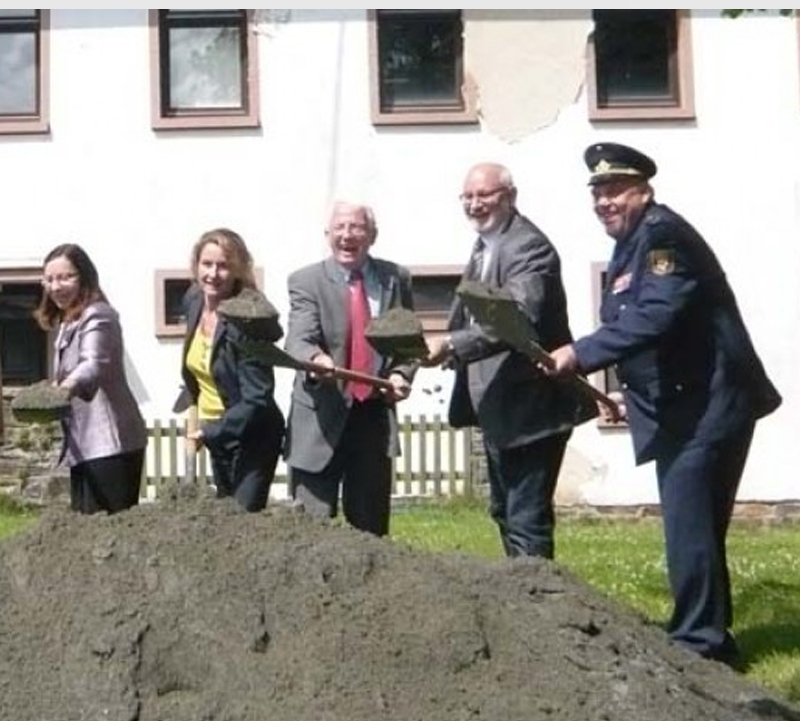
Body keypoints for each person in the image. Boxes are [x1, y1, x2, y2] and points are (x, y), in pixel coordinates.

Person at [546, 142, 782, 665]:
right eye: (598, 193)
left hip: (710, 407)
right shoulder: (632, 243)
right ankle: (710, 634)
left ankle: (699, 644)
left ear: (644, 191)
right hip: (688, 403)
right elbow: (649, 332)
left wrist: (578, 353)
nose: (604, 202)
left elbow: (654, 317)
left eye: (615, 191)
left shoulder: (662, 237)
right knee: (696, 526)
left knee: (689, 525)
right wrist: (626, 396)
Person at [424, 162, 597, 559]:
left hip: (532, 410)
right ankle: (524, 604)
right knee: (505, 512)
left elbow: (516, 319)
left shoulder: (526, 247)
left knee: (526, 518)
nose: (474, 204)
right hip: (502, 407)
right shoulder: (488, 243)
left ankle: (543, 608)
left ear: (510, 196)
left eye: (484, 195)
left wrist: (451, 344)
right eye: (467, 196)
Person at [283, 200, 416, 536]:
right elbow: (298, 340)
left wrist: (402, 373)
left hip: (372, 418)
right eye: (339, 228)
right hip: (319, 419)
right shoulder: (306, 281)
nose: (347, 235)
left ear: (372, 235)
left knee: (371, 532)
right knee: (309, 533)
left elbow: (408, 342)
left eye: (356, 227)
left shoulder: (395, 279)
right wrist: (316, 360)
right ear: (328, 235)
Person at [34, 243, 147, 514]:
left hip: (111, 444)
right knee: (84, 531)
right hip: (83, 445)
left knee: (108, 531)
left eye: (65, 277)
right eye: (49, 279)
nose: (56, 286)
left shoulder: (99, 315)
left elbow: (92, 364)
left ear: (84, 277)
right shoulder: (67, 322)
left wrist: (63, 390)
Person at [179, 227, 285, 512]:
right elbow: (200, 363)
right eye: (207, 264)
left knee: (243, 518)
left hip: (252, 435)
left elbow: (258, 397)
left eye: (224, 266)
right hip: (217, 432)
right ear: (196, 265)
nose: (213, 274)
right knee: (226, 519)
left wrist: (212, 431)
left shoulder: (247, 321)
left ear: (238, 271)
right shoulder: (194, 301)